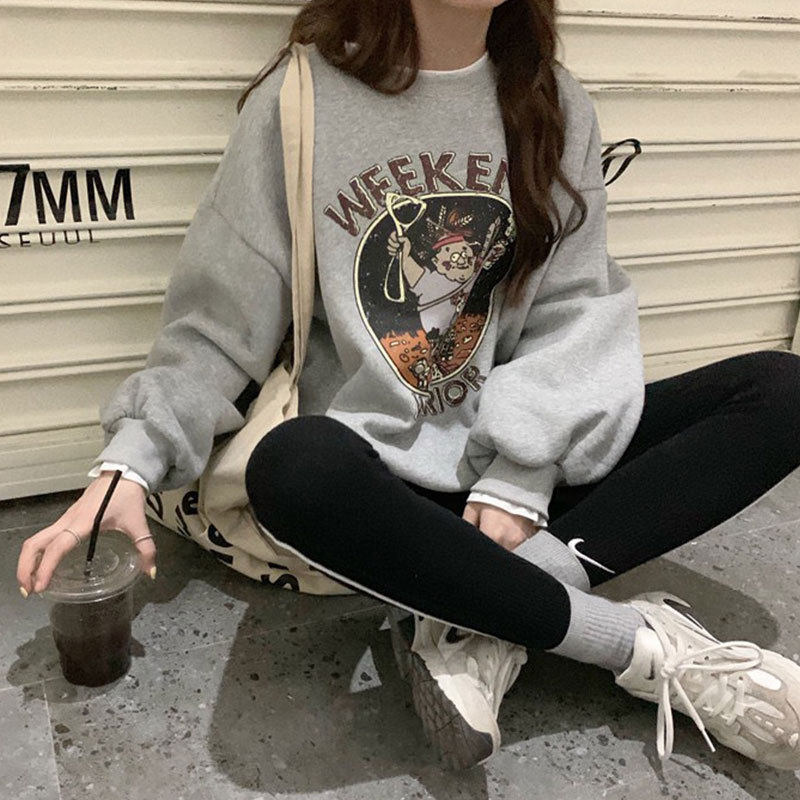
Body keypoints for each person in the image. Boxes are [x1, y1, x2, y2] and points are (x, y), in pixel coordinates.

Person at [16, 0, 800, 775]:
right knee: (294, 467)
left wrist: (522, 472)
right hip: (382, 495)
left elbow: (576, 310)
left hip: (512, 483)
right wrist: (132, 459)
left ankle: (473, 616)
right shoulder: (301, 98)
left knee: (780, 391)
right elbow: (221, 324)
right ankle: (635, 647)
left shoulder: (552, 102)